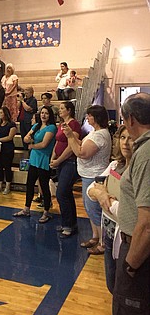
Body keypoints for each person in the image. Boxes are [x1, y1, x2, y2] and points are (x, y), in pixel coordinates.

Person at [112, 93, 150, 315]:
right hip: (136, 246)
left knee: (129, 311)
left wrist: (131, 265)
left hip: (139, 251)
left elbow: (147, 224)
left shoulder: (145, 154)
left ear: (131, 120)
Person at [89, 125, 129, 293]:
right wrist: (103, 194)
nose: (126, 143)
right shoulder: (114, 165)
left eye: (131, 138)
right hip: (109, 231)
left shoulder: (138, 171)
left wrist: (105, 197)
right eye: (123, 138)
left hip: (126, 236)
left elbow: (127, 212)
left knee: (123, 285)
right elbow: (90, 190)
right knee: (111, 281)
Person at [66, 105, 112, 255]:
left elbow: (81, 152)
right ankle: (95, 236)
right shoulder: (96, 132)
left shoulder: (99, 135)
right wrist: (73, 137)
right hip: (88, 174)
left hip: (94, 175)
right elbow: (82, 145)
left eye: (89, 115)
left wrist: (70, 137)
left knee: (94, 211)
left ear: (96, 117)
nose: (87, 117)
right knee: (89, 209)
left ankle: (103, 243)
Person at [16, 105, 57, 223]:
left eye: (46, 113)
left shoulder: (52, 128)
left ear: (50, 115)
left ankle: (46, 211)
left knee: (44, 186)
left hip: (44, 159)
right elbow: (26, 137)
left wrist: (32, 145)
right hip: (34, 158)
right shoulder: (36, 126)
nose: (43, 115)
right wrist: (28, 139)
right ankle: (26, 209)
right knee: (29, 184)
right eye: (42, 113)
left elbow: (44, 144)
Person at [49, 101, 83, 238]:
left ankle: (68, 225)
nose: (60, 110)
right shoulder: (60, 125)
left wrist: (59, 160)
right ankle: (68, 223)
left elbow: (71, 146)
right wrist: (53, 157)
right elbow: (58, 141)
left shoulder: (74, 124)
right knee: (66, 193)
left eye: (62, 108)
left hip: (69, 162)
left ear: (69, 110)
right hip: (60, 162)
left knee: (62, 193)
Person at [0, 107, 18, 194]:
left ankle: (7, 186)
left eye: (1, 113)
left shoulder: (12, 124)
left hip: (8, 148)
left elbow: (10, 137)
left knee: (7, 167)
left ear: (5, 114)